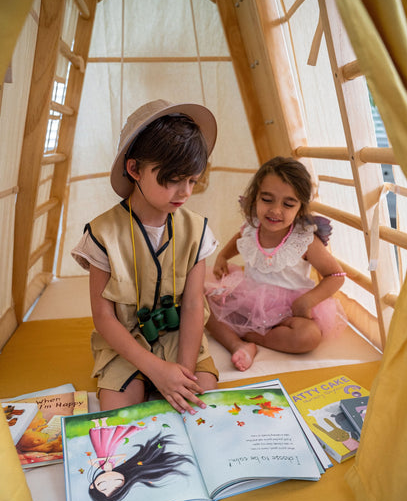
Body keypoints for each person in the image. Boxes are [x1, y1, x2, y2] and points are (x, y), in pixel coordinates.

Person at [72, 99, 219, 413]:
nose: (185, 193)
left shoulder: (197, 231)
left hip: (181, 339)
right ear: (134, 169)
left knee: (203, 401)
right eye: (173, 180)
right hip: (125, 345)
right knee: (120, 413)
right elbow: (104, 319)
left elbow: (193, 305)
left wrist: (183, 373)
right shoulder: (101, 234)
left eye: (192, 180)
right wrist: (155, 370)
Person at [205, 156, 347, 371]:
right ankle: (238, 345)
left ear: (299, 208)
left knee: (307, 337)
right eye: (267, 199)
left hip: (289, 312)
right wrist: (222, 257)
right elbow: (238, 240)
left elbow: (336, 276)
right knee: (203, 305)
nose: (275, 210)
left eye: (288, 204)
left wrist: (308, 301)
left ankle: (249, 335)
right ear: (255, 199)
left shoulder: (304, 240)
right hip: (250, 302)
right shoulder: (251, 228)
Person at [88, 430, 194, 501]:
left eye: (104, 485)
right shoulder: (137, 467)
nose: (112, 481)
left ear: (92, 485)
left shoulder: (105, 464)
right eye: (116, 487)